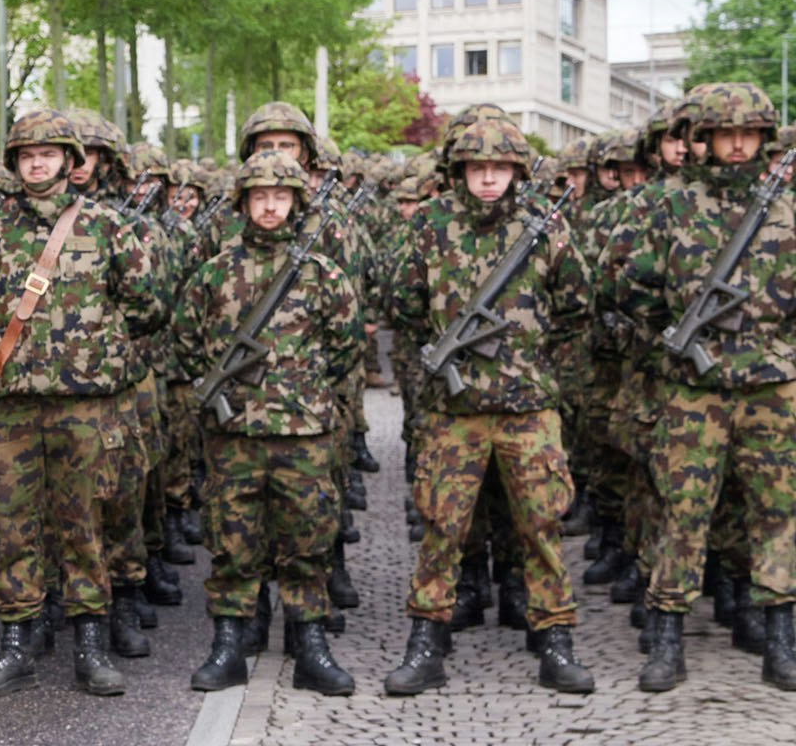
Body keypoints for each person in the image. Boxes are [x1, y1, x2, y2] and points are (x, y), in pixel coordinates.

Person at [382, 113, 595, 697]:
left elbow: (578, 304)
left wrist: (532, 358)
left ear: (517, 172)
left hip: (528, 408)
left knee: (541, 527)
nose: (488, 179)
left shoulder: (544, 229)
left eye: (499, 168)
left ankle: (555, 640)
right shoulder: (430, 226)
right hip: (456, 411)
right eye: (477, 168)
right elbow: (401, 300)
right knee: (442, 529)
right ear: (460, 171)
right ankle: (426, 639)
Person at [0, 108, 167, 696]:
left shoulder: (108, 227)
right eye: (28, 155)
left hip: (85, 407)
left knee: (85, 525)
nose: (37, 162)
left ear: (70, 163)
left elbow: (148, 305)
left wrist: (97, 349)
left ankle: (89, 642)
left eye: (49, 154)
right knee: (13, 528)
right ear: (14, 164)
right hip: (11, 407)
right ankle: (16, 644)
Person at [619, 81, 796, 691]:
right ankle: (667, 638)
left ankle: (782, 640)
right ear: (705, 139)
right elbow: (631, 287)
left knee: (779, 513)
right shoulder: (669, 204)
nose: (739, 143)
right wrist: (677, 336)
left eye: (749, 133)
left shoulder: (786, 206)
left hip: (772, 384)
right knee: (681, 514)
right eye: (727, 133)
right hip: (694, 388)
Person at [175, 152, 364, 695]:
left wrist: (298, 388)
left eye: (280, 197)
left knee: (308, 539)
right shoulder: (215, 271)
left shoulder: (322, 273)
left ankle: (311, 646)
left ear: (296, 203)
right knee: (232, 541)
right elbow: (186, 341)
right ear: (243, 203)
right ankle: (229, 645)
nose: (270, 206)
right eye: (260, 196)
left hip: (303, 433)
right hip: (233, 435)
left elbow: (346, 345)